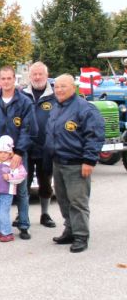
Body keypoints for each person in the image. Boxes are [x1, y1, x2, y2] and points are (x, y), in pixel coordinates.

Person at [45, 74, 104, 253]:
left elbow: (94, 135)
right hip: (58, 162)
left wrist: (89, 160)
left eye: (63, 86)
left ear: (73, 87)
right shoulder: (56, 107)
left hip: (76, 163)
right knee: (63, 200)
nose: (59, 90)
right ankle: (70, 230)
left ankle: (81, 236)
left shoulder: (85, 109)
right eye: (56, 87)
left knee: (78, 202)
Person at [0, 66, 36, 240]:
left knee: (21, 190)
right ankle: (0, 227)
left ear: (15, 79)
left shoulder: (25, 102)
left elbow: (28, 129)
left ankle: (23, 225)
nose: (6, 82)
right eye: (2, 78)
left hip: (17, 155)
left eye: (9, 78)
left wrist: (19, 152)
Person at [22, 62, 57, 228]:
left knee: (45, 182)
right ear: (29, 76)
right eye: (34, 74)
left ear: (46, 75)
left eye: (40, 74)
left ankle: (45, 214)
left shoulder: (55, 95)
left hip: (46, 147)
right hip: (26, 147)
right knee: (23, 183)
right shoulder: (22, 94)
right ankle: (22, 215)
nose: (37, 77)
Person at [0, 136, 28, 242]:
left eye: (5, 152)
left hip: (7, 192)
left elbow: (22, 174)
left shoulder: (13, 163)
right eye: (0, 152)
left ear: (10, 153)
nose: (3, 155)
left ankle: (7, 232)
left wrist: (10, 177)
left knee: (4, 212)